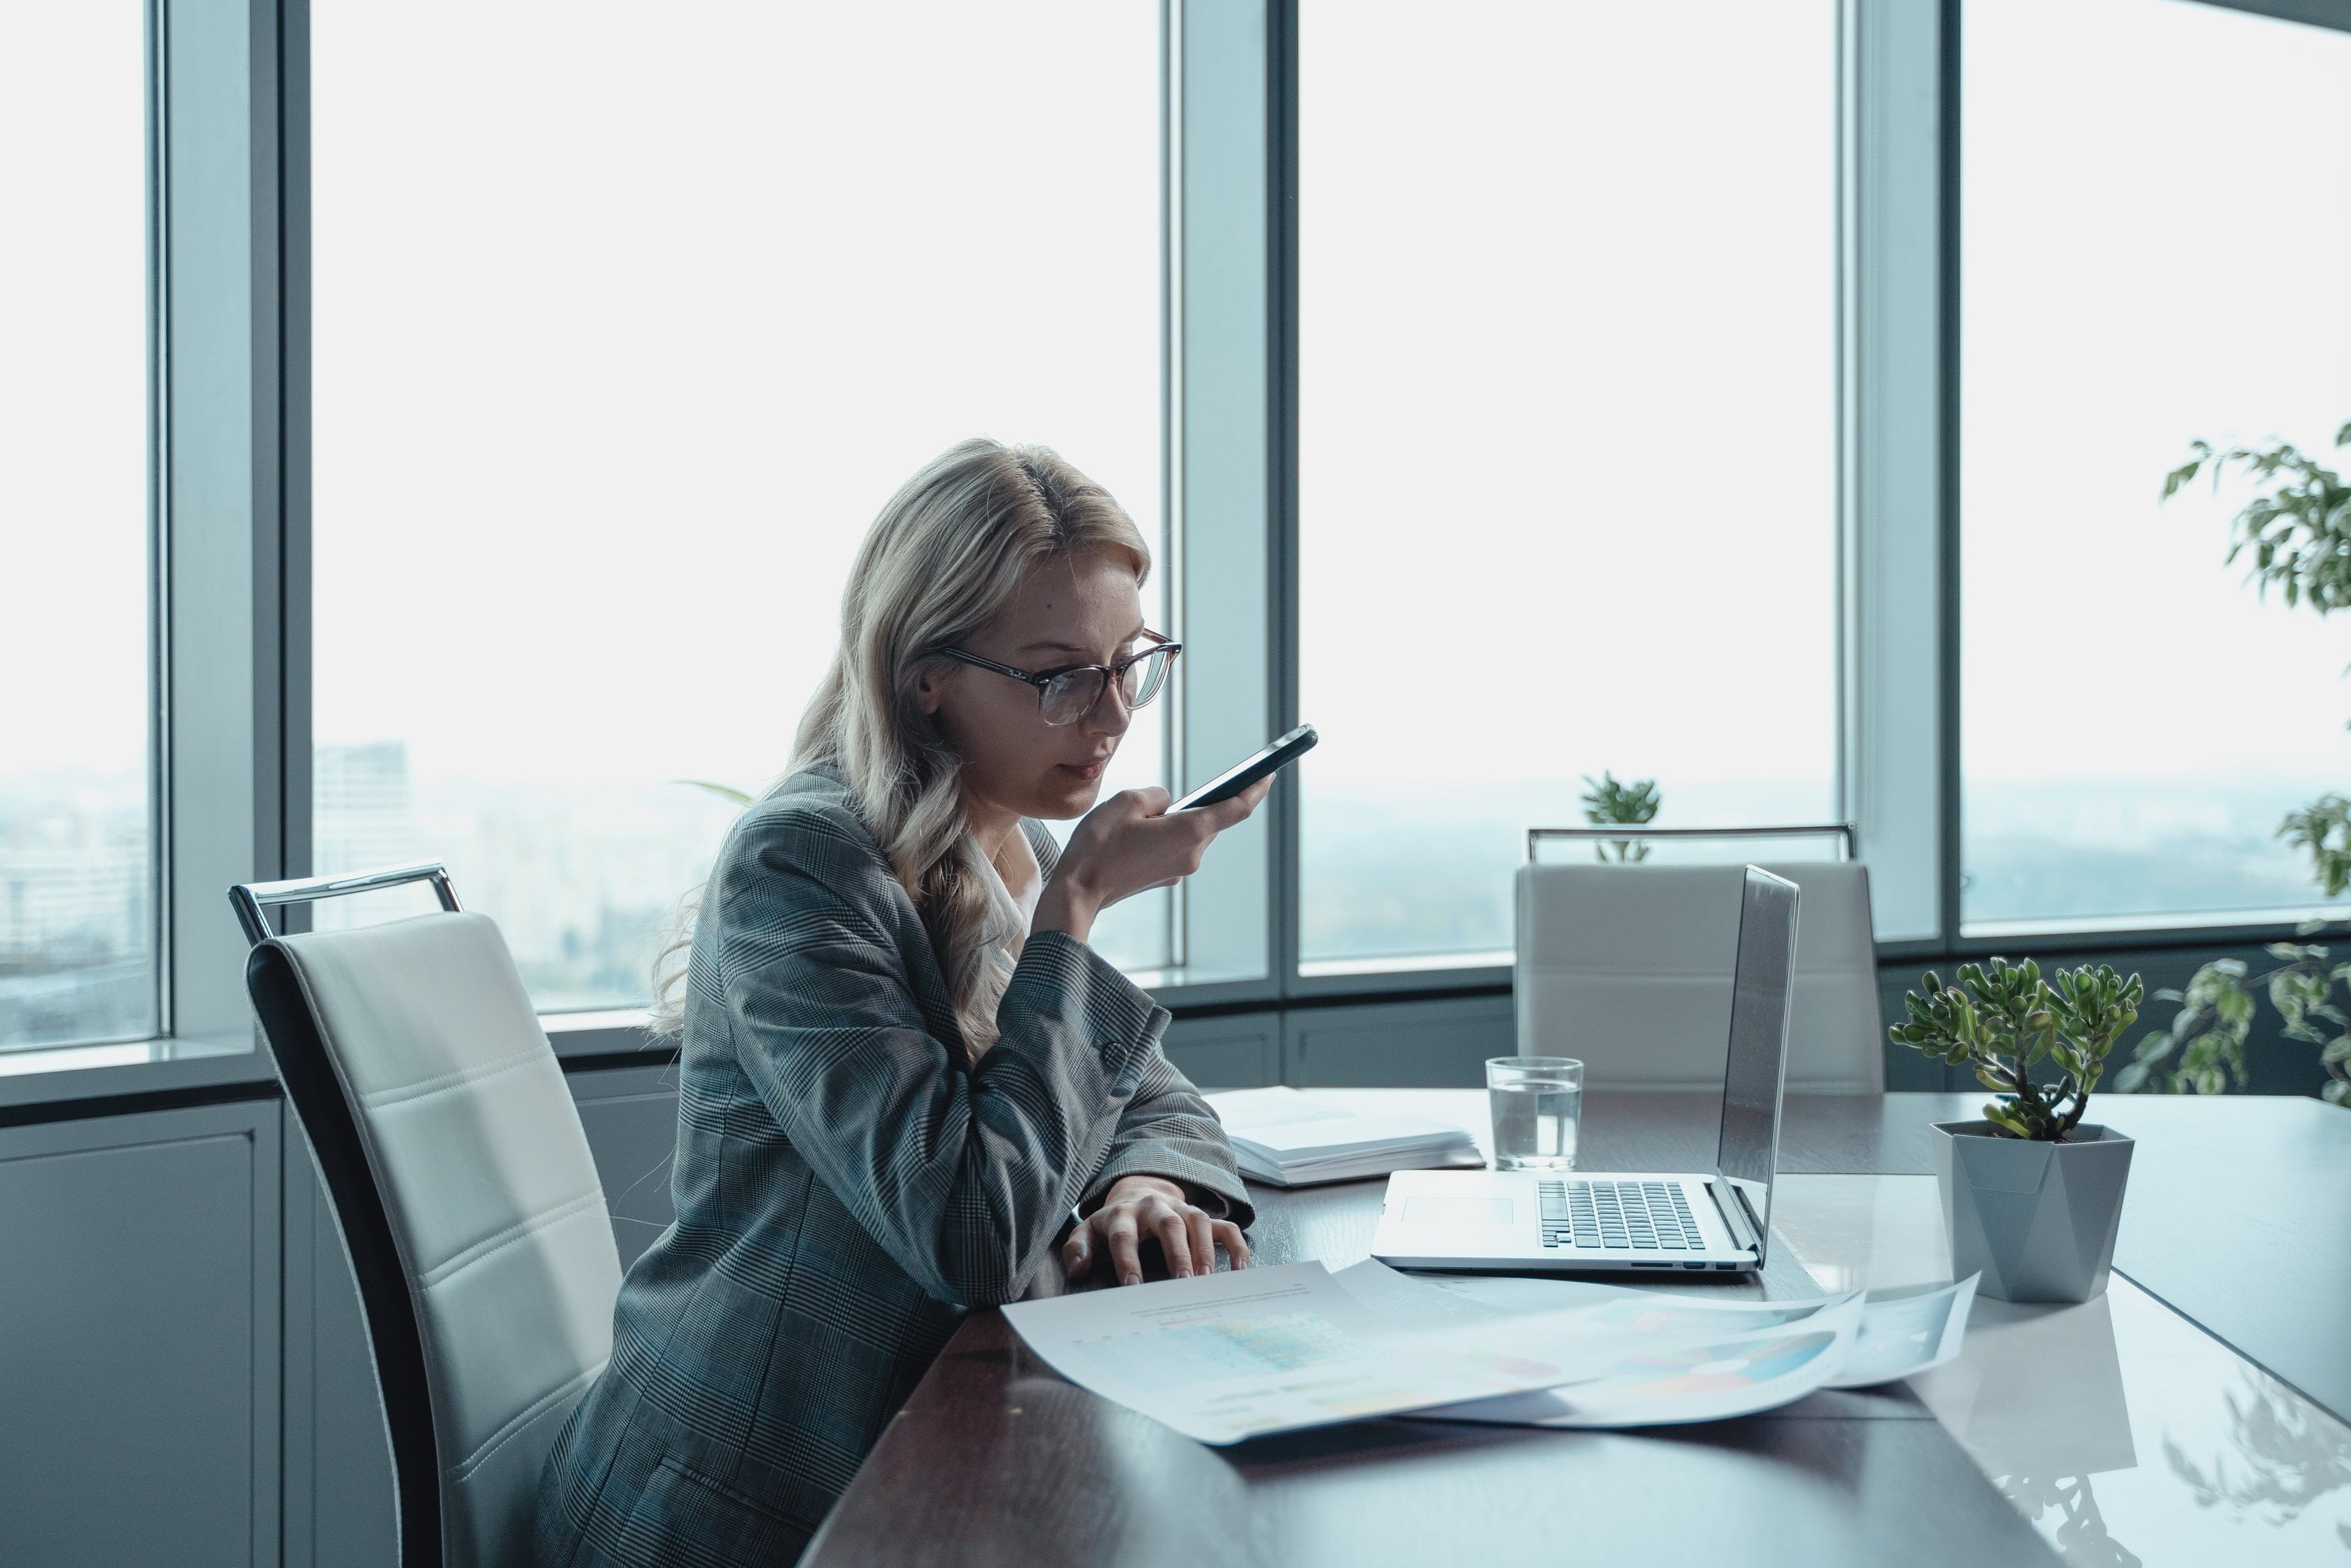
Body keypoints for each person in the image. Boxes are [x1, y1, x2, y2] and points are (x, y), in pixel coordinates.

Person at [535, 438, 1265, 1566]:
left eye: (1133, 660)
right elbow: (969, 1233)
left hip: (923, 1451)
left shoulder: (1003, 834)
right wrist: (1076, 908)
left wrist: (1147, 1183)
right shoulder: (804, 865)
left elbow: (1153, 1098)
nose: (1112, 714)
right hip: (749, 1500)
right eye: (1059, 673)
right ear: (926, 670)